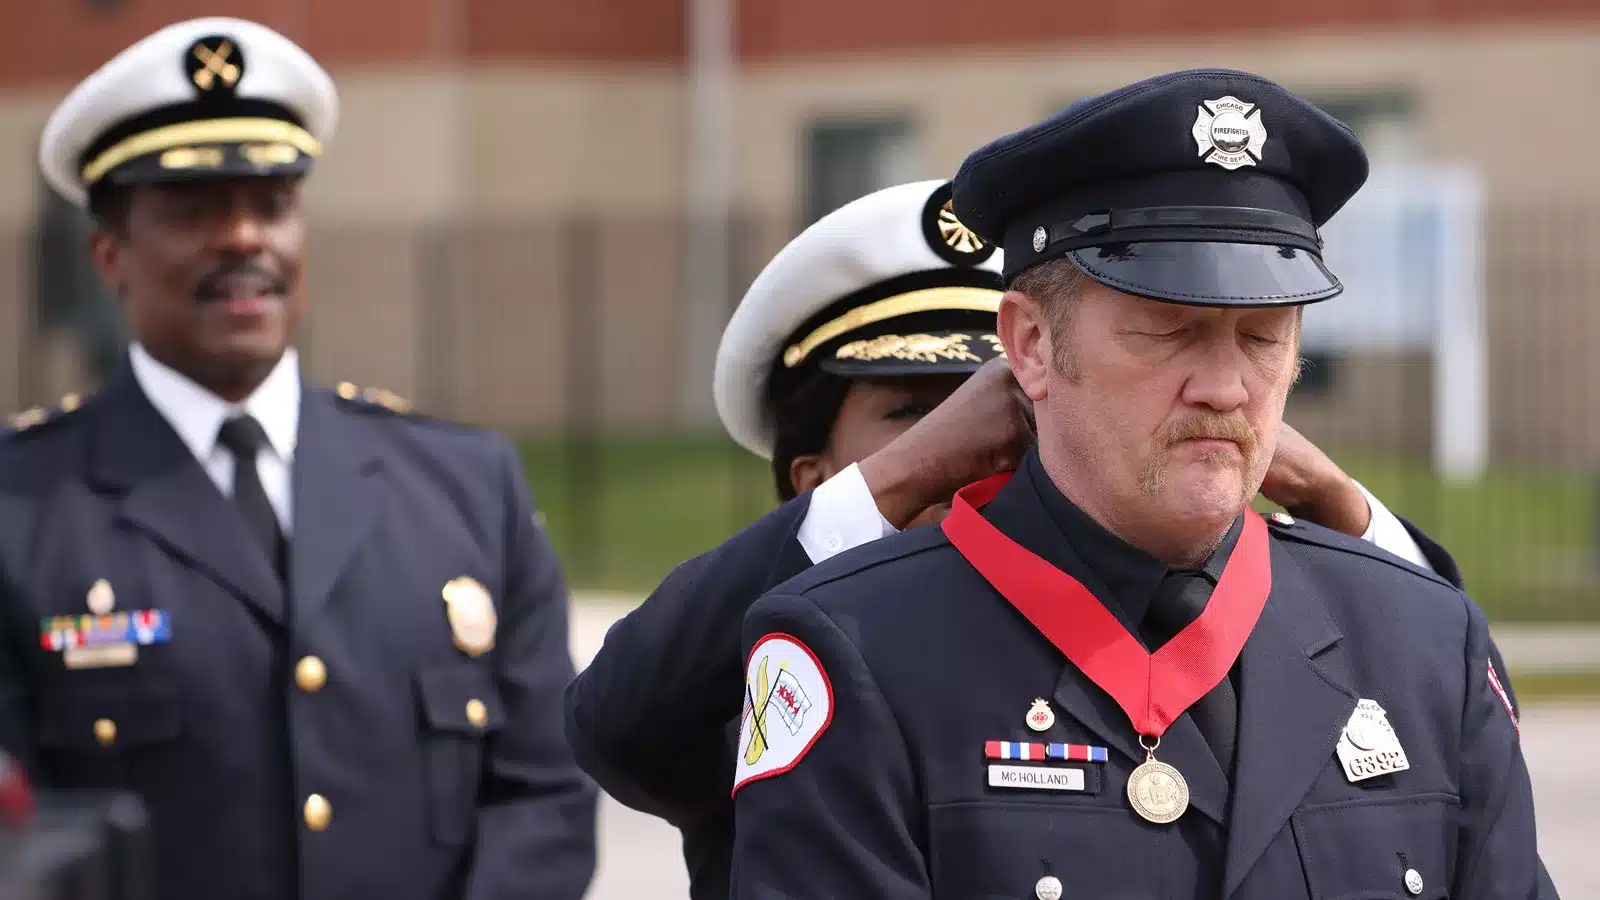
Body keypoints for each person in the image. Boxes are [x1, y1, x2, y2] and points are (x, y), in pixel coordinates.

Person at [727, 70, 1555, 899]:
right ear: (1032, 344)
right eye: (1168, 329)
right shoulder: (861, 651)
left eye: (1263, 336)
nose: (1224, 388)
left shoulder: (1421, 641)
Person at [566, 181, 1465, 897]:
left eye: (1009, 406)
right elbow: (624, 722)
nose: (980, 443)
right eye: (911, 412)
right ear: (814, 476)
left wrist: (1326, 494)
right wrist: (911, 471)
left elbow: (1428, 677)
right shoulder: (807, 655)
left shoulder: (1140, 599)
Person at [0, 17, 597, 900]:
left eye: (272, 202)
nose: (245, 237)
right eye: (196, 209)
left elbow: (544, 794)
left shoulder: (465, 489)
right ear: (109, 255)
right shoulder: (22, 508)